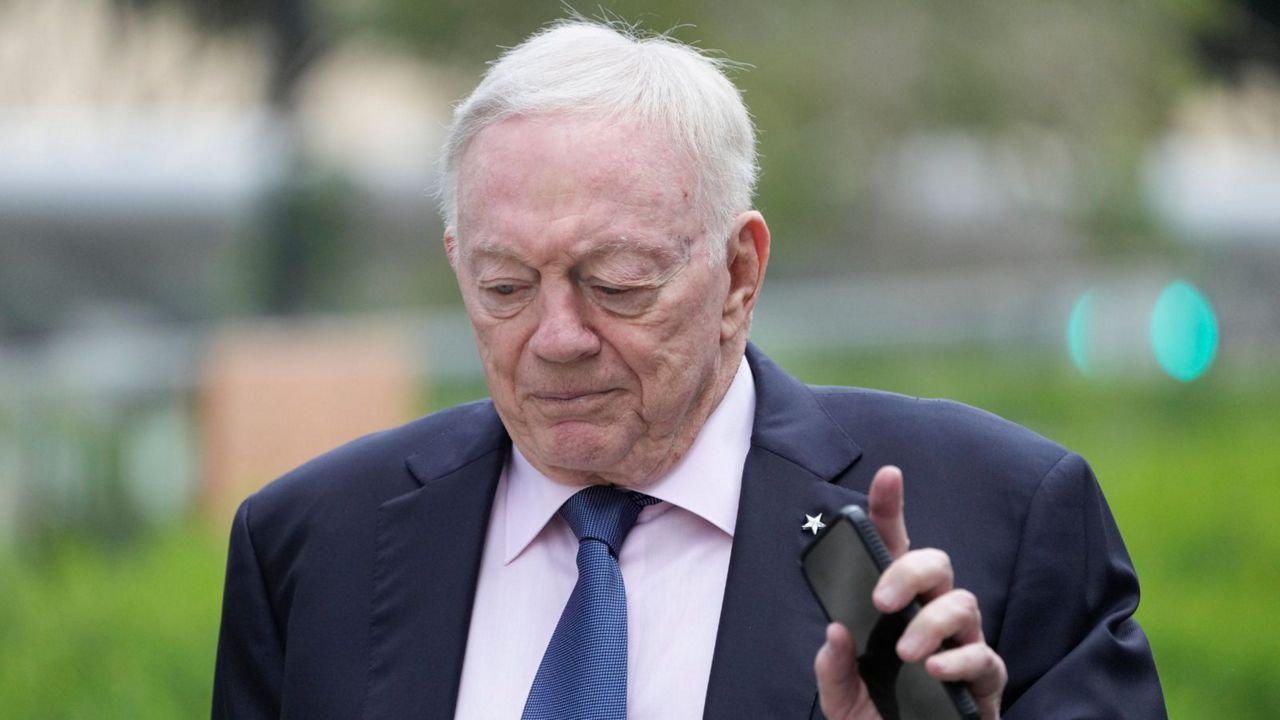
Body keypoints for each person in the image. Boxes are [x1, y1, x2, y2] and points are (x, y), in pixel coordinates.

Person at [212, 19, 1166, 720]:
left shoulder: (1003, 519)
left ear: (738, 275)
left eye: (617, 284)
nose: (556, 337)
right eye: (504, 286)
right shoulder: (309, 544)